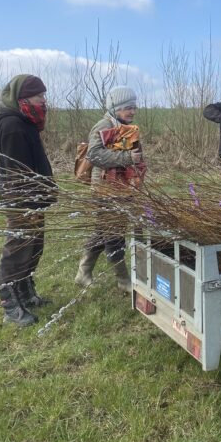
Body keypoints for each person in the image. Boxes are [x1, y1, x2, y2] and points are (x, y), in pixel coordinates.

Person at [0, 74, 57, 327]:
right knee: (17, 249)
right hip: (21, 199)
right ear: (22, 99)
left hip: (35, 197)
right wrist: (28, 202)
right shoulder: (11, 125)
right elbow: (15, 170)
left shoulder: (26, 122)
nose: (43, 101)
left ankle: (25, 292)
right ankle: (10, 305)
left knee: (33, 247)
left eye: (43, 95)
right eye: (38, 96)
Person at [75, 85, 145, 291]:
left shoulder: (128, 128)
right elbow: (94, 155)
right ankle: (123, 279)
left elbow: (136, 155)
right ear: (116, 107)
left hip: (123, 187)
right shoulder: (103, 126)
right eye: (128, 108)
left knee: (103, 230)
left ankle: (83, 271)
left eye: (134, 107)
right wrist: (126, 158)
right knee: (114, 233)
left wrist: (139, 166)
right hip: (105, 189)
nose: (132, 111)